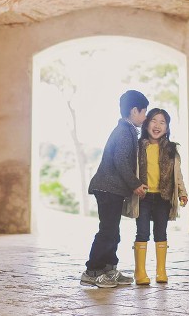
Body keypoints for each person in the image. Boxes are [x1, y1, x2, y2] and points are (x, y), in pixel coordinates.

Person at [81, 90, 149, 288]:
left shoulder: (127, 130)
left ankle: (109, 269)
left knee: (113, 231)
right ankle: (92, 271)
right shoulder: (124, 131)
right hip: (107, 188)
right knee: (107, 231)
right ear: (134, 110)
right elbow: (120, 161)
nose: (145, 118)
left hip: (113, 189)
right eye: (144, 112)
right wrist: (135, 184)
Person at [131, 108, 188, 285]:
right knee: (142, 232)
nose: (157, 125)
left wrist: (182, 192)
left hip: (163, 197)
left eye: (162, 122)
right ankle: (140, 272)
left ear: (167, 127)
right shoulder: (138, 147)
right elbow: (131, 171)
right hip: (143, 198)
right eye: (154, 121)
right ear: (147, 124)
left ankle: (161, 271)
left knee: (161, 232)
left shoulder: (171, 149)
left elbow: (177, 174)